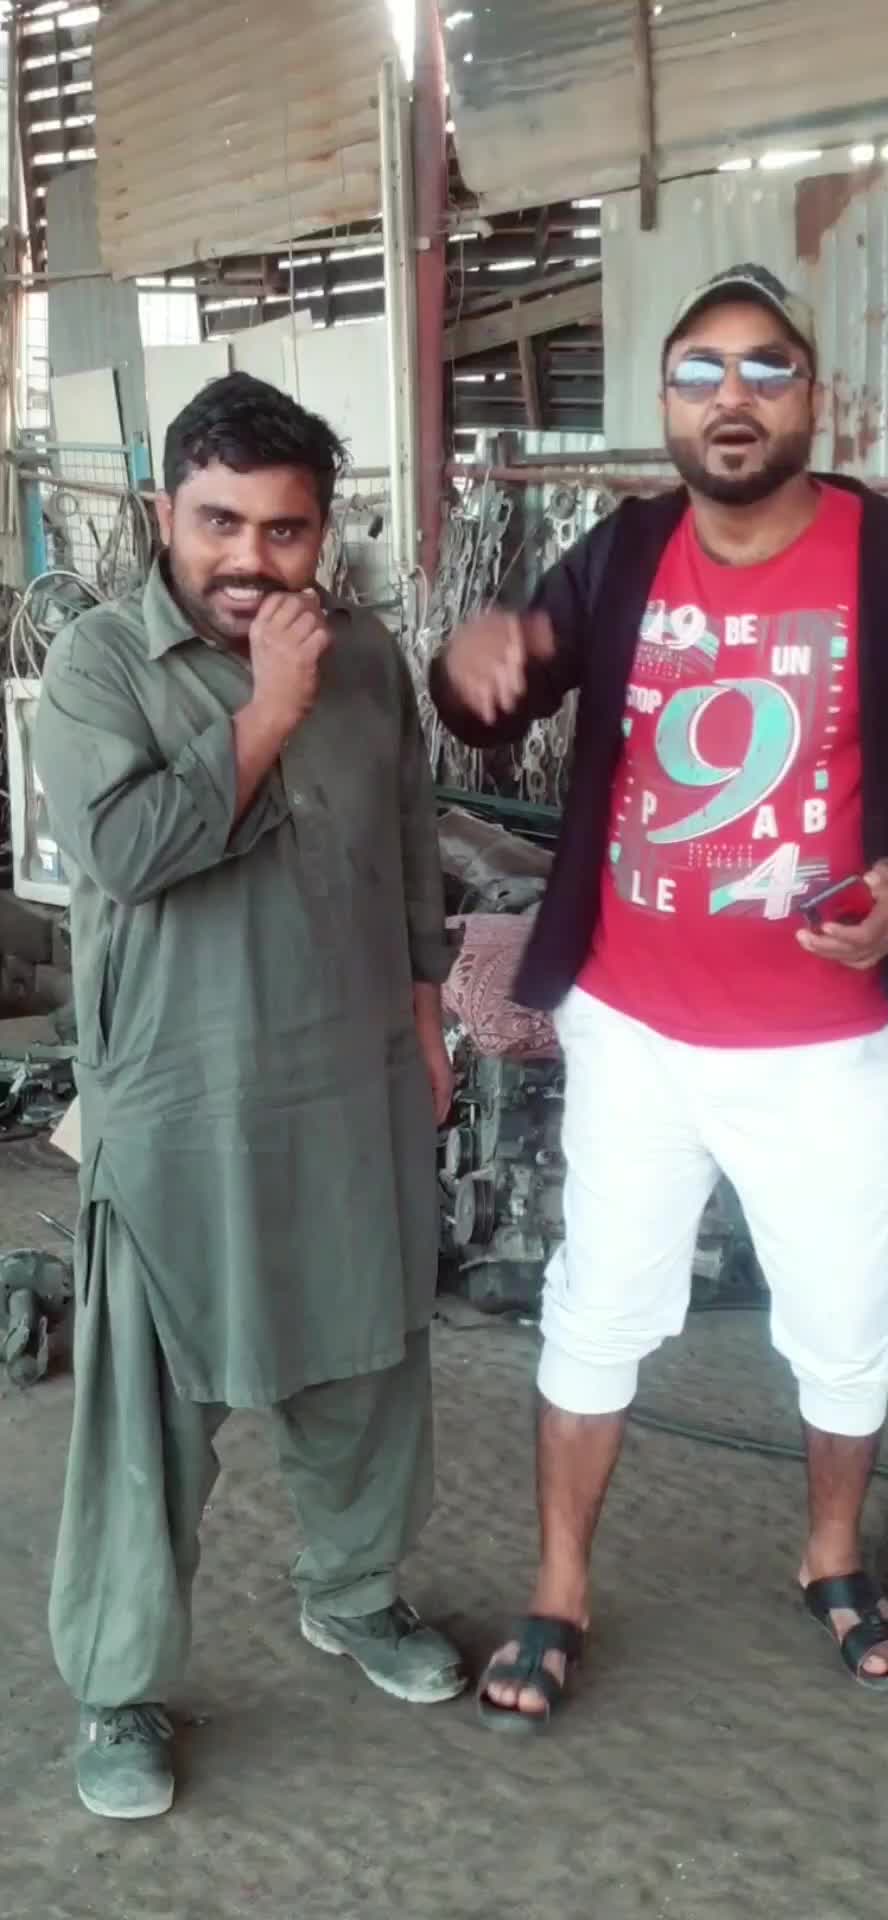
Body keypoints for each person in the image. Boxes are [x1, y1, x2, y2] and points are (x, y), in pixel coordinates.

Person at [430, 264, 888, 1728]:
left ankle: (832, 1556)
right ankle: (559, 1590)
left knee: (842, 1320)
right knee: (597, 1307)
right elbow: (503, 695)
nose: (732, 396)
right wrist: (470, 672)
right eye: (698, 369)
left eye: (766, 368)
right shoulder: (624, 551)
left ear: (813, 398)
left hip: (830, 1047)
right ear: (665, 403)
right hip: (635, 1031)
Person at [36, 372, 465, 1819]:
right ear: (164, 511)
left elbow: (409, 842)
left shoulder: (370, 660)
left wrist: (426, 1015)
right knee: (147, 1413)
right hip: (180, 1096)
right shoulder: (101, 663)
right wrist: (268, 713)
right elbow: (127, 850)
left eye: (284, 531)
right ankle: (120, 1685)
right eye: (219, 521)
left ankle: (352, 1592)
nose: (250, 560)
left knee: (365, 1362)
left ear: (323, 531)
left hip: (347, 1079)